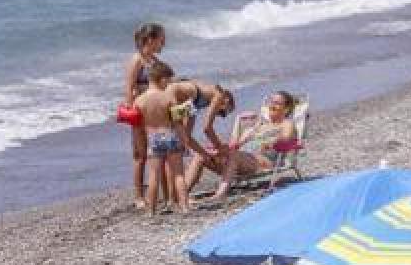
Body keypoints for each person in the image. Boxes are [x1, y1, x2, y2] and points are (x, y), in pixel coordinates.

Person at [135, 61, 208, 215]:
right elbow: (178, 122)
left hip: (153, 139)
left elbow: (138, 127)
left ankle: (151, 211)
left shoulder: (139, 101)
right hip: (170, 136)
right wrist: (185, 141)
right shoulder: (168, 97)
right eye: (167, 80)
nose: (168, 84)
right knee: (179, 174)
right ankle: (184, 207)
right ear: (161, 79)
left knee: (154, 175)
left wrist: (140, 145)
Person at [211, 91, 301, 200]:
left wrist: (269, 143)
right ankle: (185, 195)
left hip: (263, 162)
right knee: (202, 155)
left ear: (286, 109)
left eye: (276, 103)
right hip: (241, 159)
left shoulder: (287, 123)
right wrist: (238, 120)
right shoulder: (258, 127)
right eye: (271, 102)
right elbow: (234, 145)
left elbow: (286, 139)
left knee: (234, 155)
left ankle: (220, 194)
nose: (272, 105)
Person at [121, 23, 165, 209]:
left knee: (156, 151)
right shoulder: (136, 60)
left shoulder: (154, 61)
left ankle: (159, 192)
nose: (163, 43)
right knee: (140, 154)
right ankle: (139, 196)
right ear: (150, 40)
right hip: (139, 111)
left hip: (154, 112)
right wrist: (132, 111)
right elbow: (129, 88)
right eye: (161, 39)